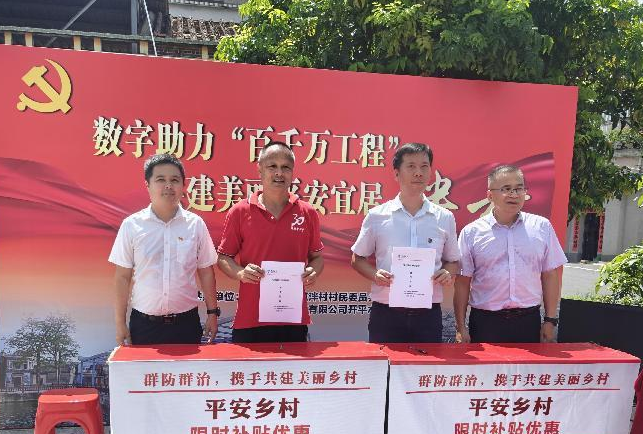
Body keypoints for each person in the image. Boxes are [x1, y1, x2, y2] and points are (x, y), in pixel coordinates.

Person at [216, 141, 324, 343]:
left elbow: (317, 257)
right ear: (260, 169)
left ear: (293, 172)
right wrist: (240, 273)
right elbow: (223, 257)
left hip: (292, 319)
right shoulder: (240, 211)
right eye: (272, 166)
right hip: (250, 320)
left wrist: (313, 271)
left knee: (293, 365)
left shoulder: (307, 212)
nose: (279, 173)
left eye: (286, 167)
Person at [350, 142, 459, 343]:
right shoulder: (377, 216)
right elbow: (358, 259)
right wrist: (375, 275)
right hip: (386, 313)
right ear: (396, 173)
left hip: (428, 314)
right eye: (411, 166)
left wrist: (447, 272)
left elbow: (453, 261)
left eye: (424, 166)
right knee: (385, 364)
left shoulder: (444, 217)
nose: (418, 173)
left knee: (428, 364)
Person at [109, 153, 219, 346]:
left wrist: (212, 313)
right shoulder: (131, 225)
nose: (168, 185)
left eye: (175, 180)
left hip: (186, 324)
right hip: (144, 325)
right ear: (148, 185)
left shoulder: (195, 224)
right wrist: (120, 323)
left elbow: (206, 271)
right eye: (161, 180)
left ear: (183, 186)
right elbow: (122, 277)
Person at [454, 164, 567, 344]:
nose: (514, 195)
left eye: (519, 188)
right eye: (506, 189)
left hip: (528, 321)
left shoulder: (541, 227)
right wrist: (460, 327)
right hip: (485, 322)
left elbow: (550, 275)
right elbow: (462, 281)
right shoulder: (471, 232)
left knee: (528, 365)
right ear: (490, 195)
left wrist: (550, 320)